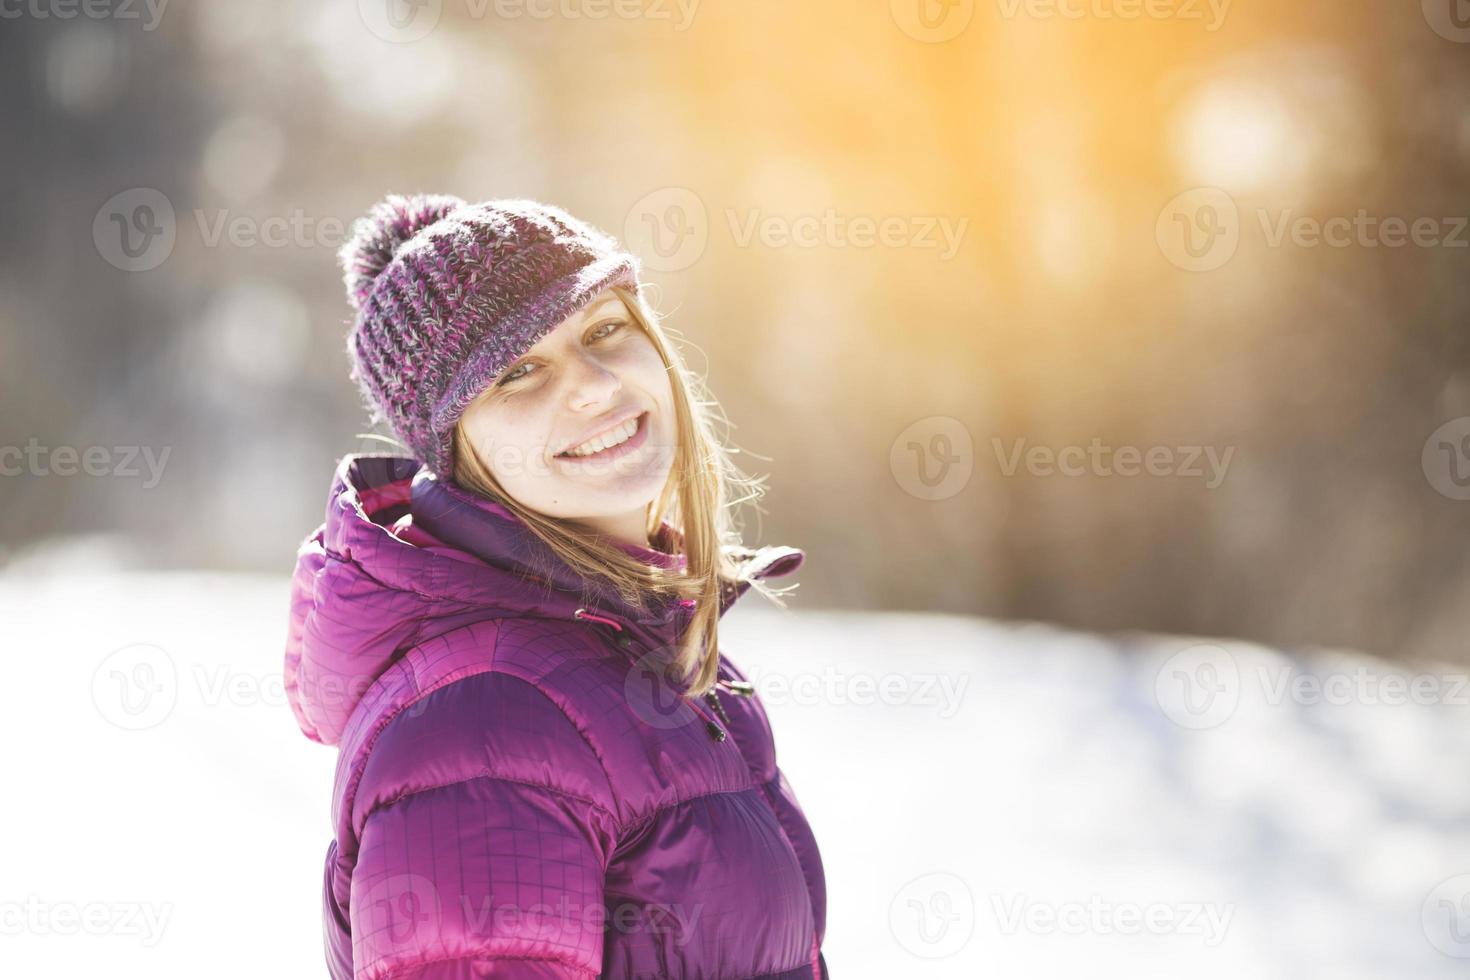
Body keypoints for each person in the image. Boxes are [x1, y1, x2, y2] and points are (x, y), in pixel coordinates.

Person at [283, 194, 830, 979]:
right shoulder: (486, 720)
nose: (594, 385)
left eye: (604, 328)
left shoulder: (630, 643)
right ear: (455, 447)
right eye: (518, 372)